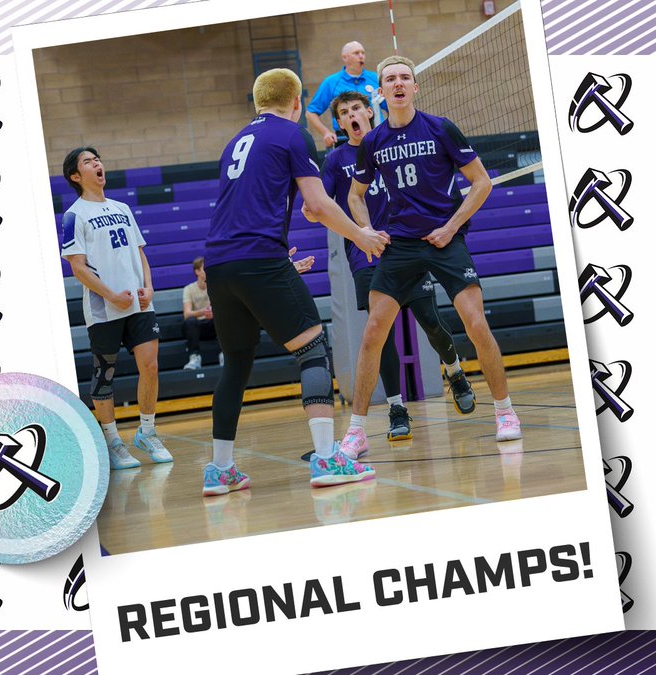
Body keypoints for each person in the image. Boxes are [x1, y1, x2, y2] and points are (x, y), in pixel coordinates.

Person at [201, 67, 389, 496]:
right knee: (311, 349)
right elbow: (319, 204)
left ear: (256, 102)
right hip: (258, 258)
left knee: (235, 364)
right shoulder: (291, 134)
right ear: (298, 103)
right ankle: (327, 459)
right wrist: (360, 234)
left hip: (219, 264)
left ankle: (220, 469)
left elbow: (249, 201)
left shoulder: (234, 142)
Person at [340, 56, 522, 460]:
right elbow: (354, 195)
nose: (399, 83)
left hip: (445, 238)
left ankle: (505, 413)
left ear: (415, 87)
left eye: (406, 77)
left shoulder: (440, 128)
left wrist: (452, 226)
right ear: (381, 92)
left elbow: (481, 182)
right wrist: (366, 232)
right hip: (401, 243)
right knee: (373, 332)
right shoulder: (372, 142)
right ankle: (356, 432)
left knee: (475, 322)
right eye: (391, 79)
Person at [303, 91, 475, 444]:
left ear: (369, 111)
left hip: (407, 245)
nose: (351, 115)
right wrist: (314, 212)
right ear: (339, 123)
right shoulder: (337, 161)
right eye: (343, 113)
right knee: (380, 332)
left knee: (430, 321)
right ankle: (397, 408)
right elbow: (322, 204)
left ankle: (454, 369)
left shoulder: (391, 141)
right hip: (366, 253)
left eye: (355, 109)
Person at [60, 146, 174, 470]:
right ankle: (112, 441)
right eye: (88, 162)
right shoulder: (74, 215)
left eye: (97, 160)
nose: (97, 164)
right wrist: (110, 295)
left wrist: (149, 287)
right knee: (104, 376)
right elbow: (77, 267)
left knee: (150, 365)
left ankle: (147, 432)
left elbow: (140, 254)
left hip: (139, 304)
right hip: (104, 308)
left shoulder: (122, 208)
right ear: (75, 175)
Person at [306, 41, 383, 148]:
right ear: (345, 57)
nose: (361, 56)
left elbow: (390, 106)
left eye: (363, 53)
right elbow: (311, 113)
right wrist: (325, 133)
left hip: (376, 135)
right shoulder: (331, 82)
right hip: (345, 138)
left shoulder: (375, 78)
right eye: (356, 53)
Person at [181, 257, 217, 371]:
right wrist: (202, 312)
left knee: (223, 318)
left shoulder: (216, 285)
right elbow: (187, 314)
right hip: (198, 327)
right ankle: (194, 358)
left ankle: (225, 356)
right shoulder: (189, 289)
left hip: (214, 324)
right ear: (197, 271)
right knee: (190, 321)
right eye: (205, 268)